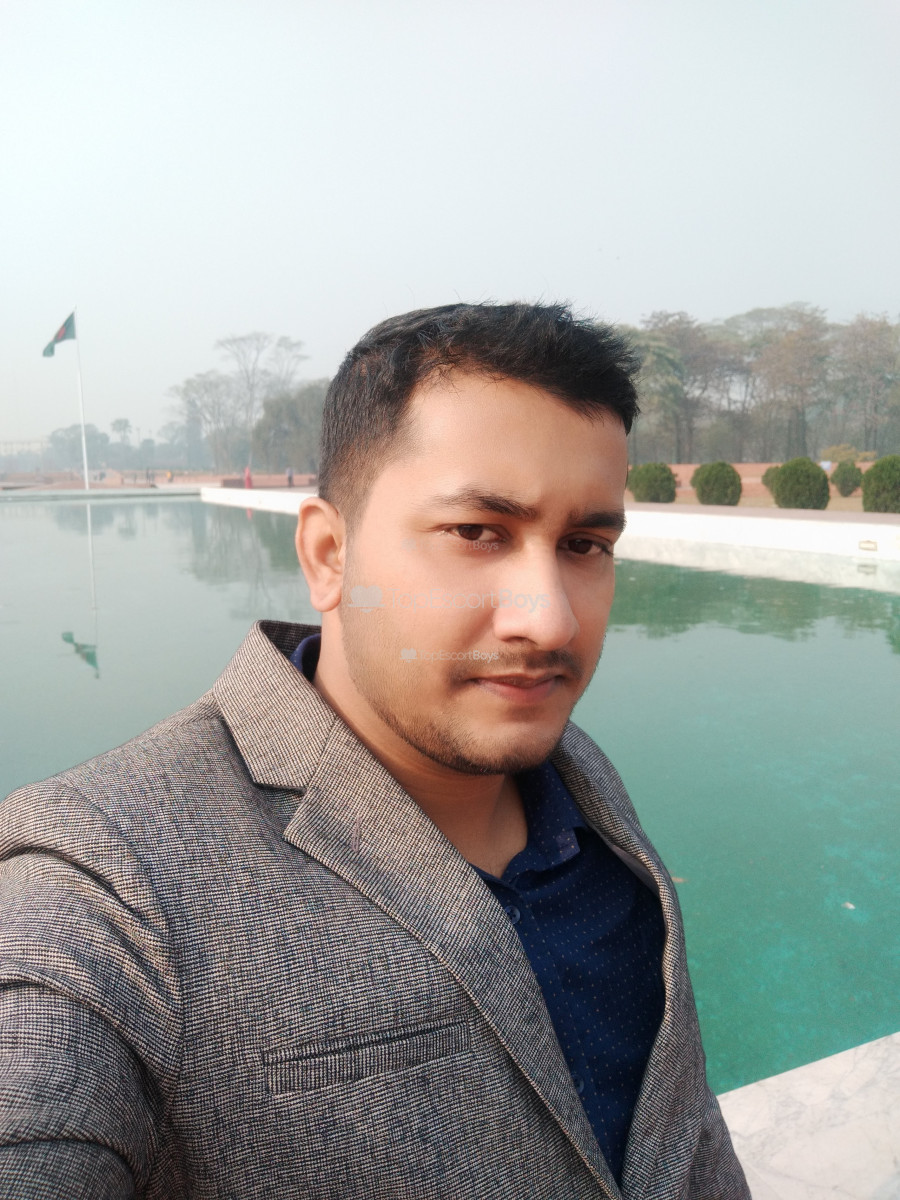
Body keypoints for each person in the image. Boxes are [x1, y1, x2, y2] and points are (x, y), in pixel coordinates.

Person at [0, 302, 749, 1199]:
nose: (550, 620)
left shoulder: (585, 792)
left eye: (585, 544)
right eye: (477, 533)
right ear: (328, 555)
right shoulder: (108, 881)